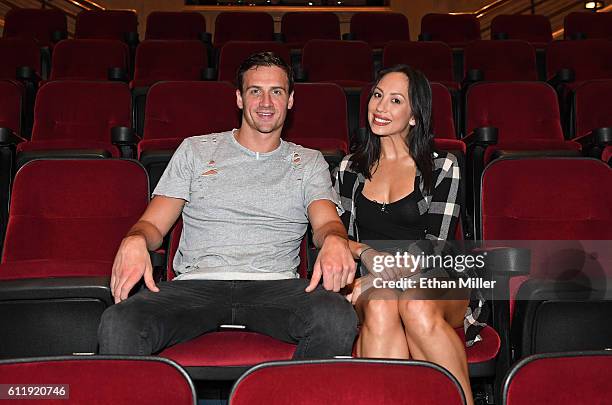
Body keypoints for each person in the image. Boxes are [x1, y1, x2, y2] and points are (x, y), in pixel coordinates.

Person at [98, 52, 358, 358]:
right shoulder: (196, 149)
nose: (265, 102)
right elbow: (153, 224)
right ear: (239, 98)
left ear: (290, 100)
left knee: (336, 317)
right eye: (255, 91)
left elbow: (326, 222)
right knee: (119, 322)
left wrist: (335, 240)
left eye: (276, 92)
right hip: (196, 284)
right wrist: (135, 238)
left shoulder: (309, 161)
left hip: (276, 286)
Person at [334, 65, 487, 405]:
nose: (380, 107)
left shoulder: (443, 166)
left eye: (395, 100)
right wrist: (364, 260)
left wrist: (377, 279)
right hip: (374, 285)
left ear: (415, 115)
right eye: (377, 96)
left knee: (414, 304)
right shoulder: (349, 168)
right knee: (382, 306)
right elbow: (337, 237)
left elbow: (435, 246)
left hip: (436, 280)